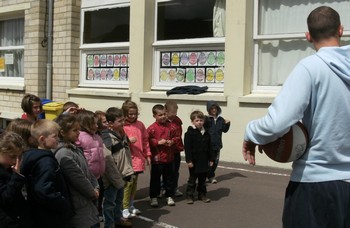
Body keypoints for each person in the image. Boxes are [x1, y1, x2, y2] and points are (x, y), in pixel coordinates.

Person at [242, 6, 350, 228]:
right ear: (341, 30)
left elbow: (278, 123)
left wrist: (251, 132)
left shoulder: (310, 68)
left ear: (308, 36)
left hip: (315, 185)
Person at [20, 119, 73, 228]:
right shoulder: (45, 162)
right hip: (50, 217)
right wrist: (63, 203)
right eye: (55, 136)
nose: (58, 139)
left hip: (40, 214)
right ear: (42, 139)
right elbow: (43, 190)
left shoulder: (34, 156)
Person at [54, 114, 100, 227]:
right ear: (63, 133)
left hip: (86, 201)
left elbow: (88, 171)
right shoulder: (64, 153)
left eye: (79, 129)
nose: (78, 133)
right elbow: (77, 178)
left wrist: (96, 186)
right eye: (75, 130)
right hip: (78, 204)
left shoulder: (73, 148)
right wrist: (92, 192)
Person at [101, 107, 134, 228]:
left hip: (122, 173)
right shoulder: (106, 137)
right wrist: (114, 177)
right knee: (109, 202)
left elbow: (126, 153)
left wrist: (128, 170)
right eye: (119, 121)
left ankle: (117, 219)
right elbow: (107, 158)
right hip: (112, 177)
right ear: (110, 123)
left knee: (119, 200)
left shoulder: (121, 133)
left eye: (122, 120)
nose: (122, 123)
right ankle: (109, 225)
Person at [121, 100, 151, 218]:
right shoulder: (122, 125)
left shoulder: (140, 125)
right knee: (127, 184)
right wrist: (128, 140)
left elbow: (145, 141)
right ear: (125, 114)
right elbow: (117, 141)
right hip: (127, 159)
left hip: (138, 159)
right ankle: (124, 207)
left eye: (135, 114)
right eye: (130, 114)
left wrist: (147, 154)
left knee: (134, 184)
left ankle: (131, 205)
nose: (133, 116)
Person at [147, 104, 180, 207]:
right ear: (154, 116)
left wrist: (172, 141)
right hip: (157, 159)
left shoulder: (172, 127)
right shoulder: (151, 128)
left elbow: (177, 137)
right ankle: (153, 197)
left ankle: (169, 196)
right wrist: (157, 142)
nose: (163, 117)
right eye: (160, 115)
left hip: (169, 158)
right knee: (155, 180)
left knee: (169, 178)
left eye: (164, 114)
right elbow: (147, 140)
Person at [0, 131, 33, 228]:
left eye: (18, 157)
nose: (15, 161)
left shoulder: (10, 169)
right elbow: (5, 198)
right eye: (12, 156)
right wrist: (16, 177)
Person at [184, 110, 215, 204]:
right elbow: (187, 148)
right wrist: (189, 160)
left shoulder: (206, 133)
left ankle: (202, 195)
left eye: (201, 120)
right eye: (197, 120)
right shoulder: (189, 134)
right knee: (192, 179)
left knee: (202, 180)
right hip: (194, 161)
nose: (199, 122)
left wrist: (211, 159)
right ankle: (190, 195)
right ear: (192, 122)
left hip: (204, 160)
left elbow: (210, 147)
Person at [205, 100, 230, 184]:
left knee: (215, 162)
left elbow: (224, 130)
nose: (214, 110)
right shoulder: (207, 119)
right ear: (209, 109)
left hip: (217, 145)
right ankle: (204, 176)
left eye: (215, 108)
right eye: (211, 108)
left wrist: (227, 124)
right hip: (208, 145)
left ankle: (211, 176)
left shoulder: (220, 119)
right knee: (207, 162)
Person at [165, 100, 184, 197]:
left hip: (176, 149)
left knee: (175, 170)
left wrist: (174, 141)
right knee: (166, 171)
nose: (174, 115)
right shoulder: (163, 121)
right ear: (166, 111)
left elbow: (179, 134)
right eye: (172, 113)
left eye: (175, 113)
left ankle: (174, 187)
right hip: (166, 150)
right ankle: (164, 188)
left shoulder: (177, 121)